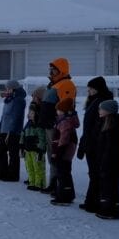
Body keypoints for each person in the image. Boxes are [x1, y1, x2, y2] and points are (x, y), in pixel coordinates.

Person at [77, 76, 114, 212]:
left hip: (96, 143)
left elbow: (97, 126)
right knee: (93, 173)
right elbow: (87, 126)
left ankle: (94, 202)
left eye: (91, 89)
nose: (89, 91)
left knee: (96, 173)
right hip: (90, 142)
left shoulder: (102, 102)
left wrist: (90, 141)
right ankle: (91, 201)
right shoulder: (94, 101)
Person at [43, 58, 76, 193]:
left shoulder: (66, 84)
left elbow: (66, 105)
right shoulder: (53, 85)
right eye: (50, 69)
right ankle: (53, 182)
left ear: (61, 70)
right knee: (51, 155)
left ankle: (58, 184)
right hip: (48, 125)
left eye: (54, 69)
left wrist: (60, 123)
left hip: (57, 126)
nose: (51, 72)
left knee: (57, 156)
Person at [94, 99, 119, 219]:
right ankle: (110, 208)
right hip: (108, 162)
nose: (99, 111)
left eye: (101, 109)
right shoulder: (105, 124)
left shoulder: (112, 127)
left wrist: (104, 163)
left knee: (109, 186)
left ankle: (109, 209)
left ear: (108, 111)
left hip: (111, 164)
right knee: (109, 186)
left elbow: (111, 149)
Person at [50, 97, 80, 205]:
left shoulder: (64, 122)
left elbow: (64, 138)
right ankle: (68, 193)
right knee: (65, 173)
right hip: (66, 152)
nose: (57, 112)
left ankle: (64, 196)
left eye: (58, 110)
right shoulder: (65, 120)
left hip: (63, 152)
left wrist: (58, 152)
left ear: (63, 111)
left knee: (63, 174)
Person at [0, 79, 26, 181]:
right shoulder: (9, 99)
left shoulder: (19, 100)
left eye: (8, 88)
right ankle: (2, 171)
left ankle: (13, 174)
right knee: (1, 152)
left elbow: (16, 117)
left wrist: (11, 132)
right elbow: (4, 116)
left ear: (14, 89)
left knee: (13, 154)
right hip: (4, 129)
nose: (6, 90)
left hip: (13, 131)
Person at [22, 105, 47, 191]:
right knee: (30, 167)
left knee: (38, 167)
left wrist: (41, 150)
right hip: (28, 150)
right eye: (29, 112)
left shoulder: (39, 125)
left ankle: (39, 184)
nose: (29, 114)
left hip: (36, 150)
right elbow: (23, 135)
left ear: (36, 114)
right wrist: (22, 146)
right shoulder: (27, 124)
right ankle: (32, 182)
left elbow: (42, 138)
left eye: (31, 112)